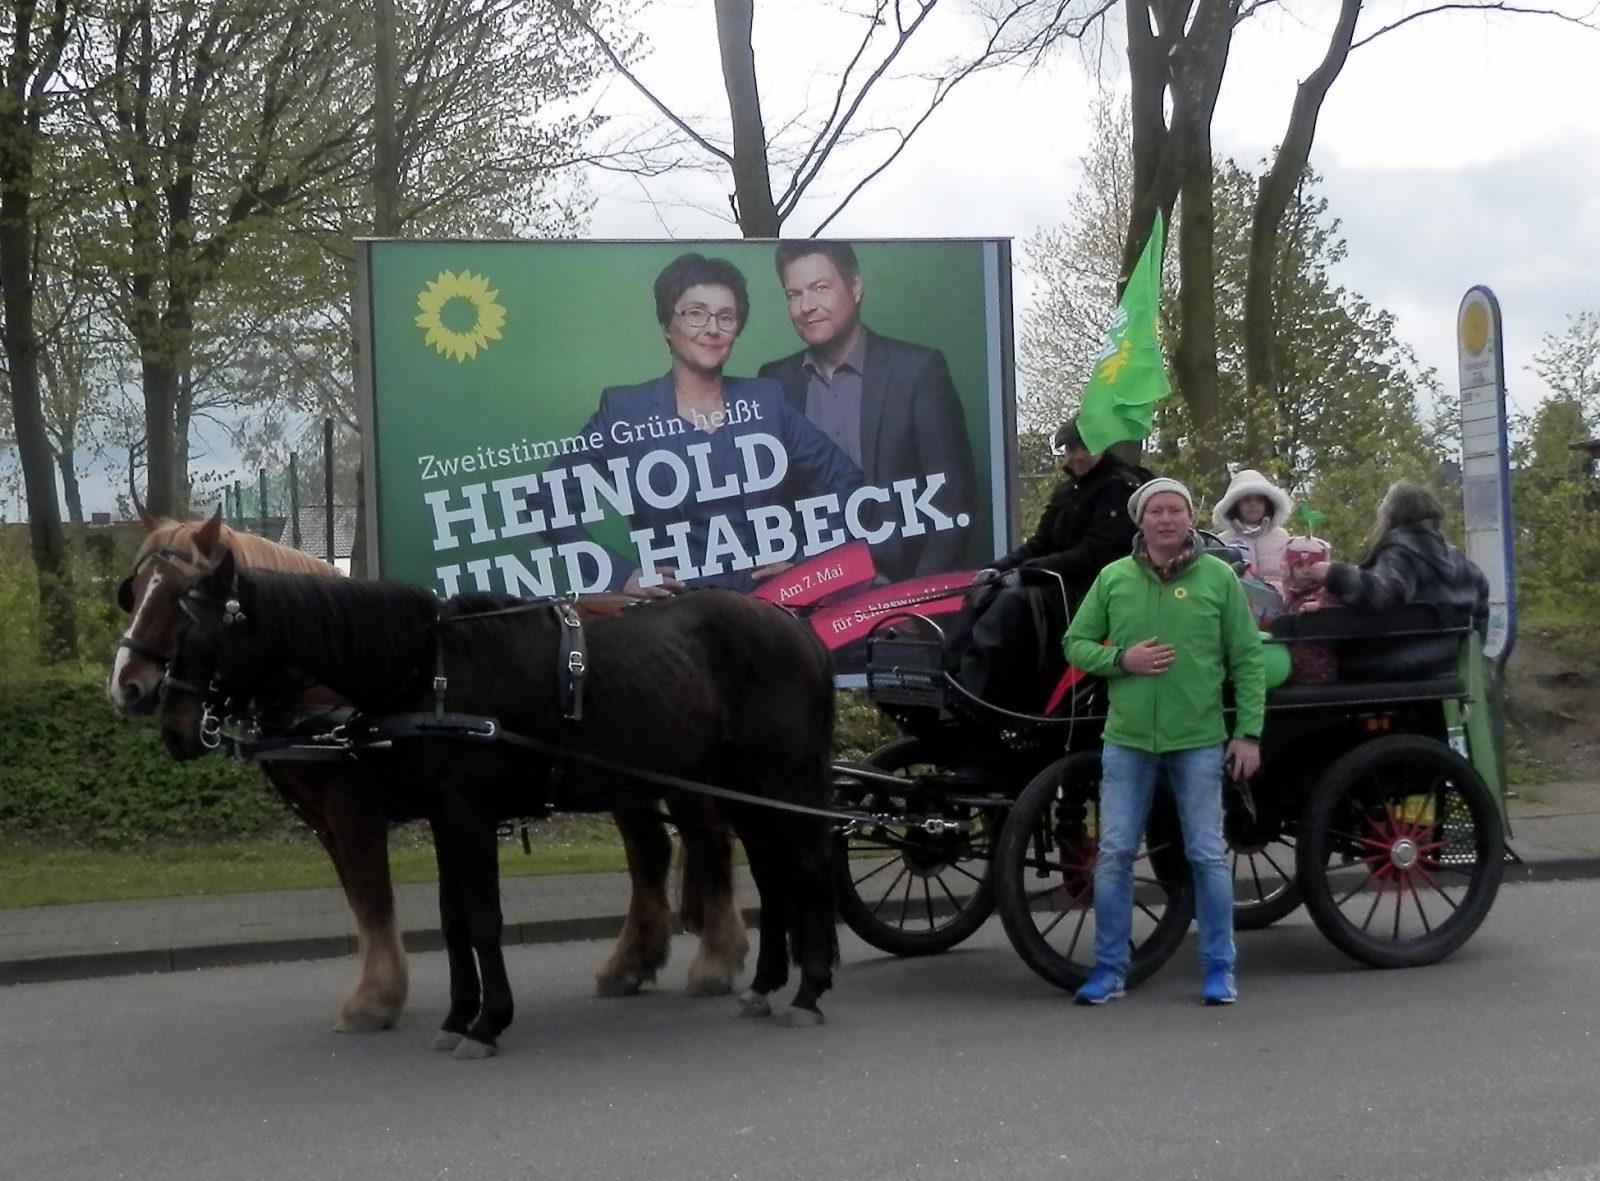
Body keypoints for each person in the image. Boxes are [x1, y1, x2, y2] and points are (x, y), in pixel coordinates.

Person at [551, 252, 865, 596]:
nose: (713, 329)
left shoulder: (765, 401)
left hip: (769, 610)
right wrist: (618, 575)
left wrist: (806, 559)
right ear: (667, 326)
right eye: (696, 314)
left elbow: (846, 481)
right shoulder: (626, 411)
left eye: (726, 317)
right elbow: (549, 500)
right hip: (675, 618)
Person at [1064, 477, 1266, 1007]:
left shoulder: (1219, 578)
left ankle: (1220, 970)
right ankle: (1109, 970)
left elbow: (1247, 659)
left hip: (1198, 740)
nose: (1167, 519)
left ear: (1189, 519)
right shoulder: (1113, 578)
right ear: (1141, 521)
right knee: (1113, 855)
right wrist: (1120, 661)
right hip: (1127, 741)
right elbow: (1075, 643)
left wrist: (1248, 734)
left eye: (1176, 510)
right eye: (1156, 511)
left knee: (1205, 855)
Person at [758, 241, 979, 580]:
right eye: (793, 294)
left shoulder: (917, 371)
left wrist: (914, 607)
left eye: (820, 288)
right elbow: (766, 501)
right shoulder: (774, 382)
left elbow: (953, 502)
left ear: (856, 287)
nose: (807, 306)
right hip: (805, 598)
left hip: (897, 595)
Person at [955, 417, 1149, 711]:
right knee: (984, 593)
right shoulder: (1066, 490)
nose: (1078, 456)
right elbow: (1040, 542)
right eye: (1070, 449)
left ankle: (983, 695)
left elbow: (1095, 554)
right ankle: (953, 677)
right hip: (1056, 579)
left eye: (1084, 447)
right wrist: (999, 567)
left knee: (1012, 605)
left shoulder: (1119, 487)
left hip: (1093, 588)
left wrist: (1030, 572)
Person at [1304, 480, 1489, 677]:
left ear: (1392, 514)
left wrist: (1334, 573)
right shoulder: (1461, 562)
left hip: (1395, 665)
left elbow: (1383, 595)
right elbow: (1481, 616)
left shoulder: (1401, 553)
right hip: (1449, 665)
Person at [1212, 469, 1294, 593]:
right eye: (1246, 500)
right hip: (1239, 605)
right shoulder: (1223, 541)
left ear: (1268, 504)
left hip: (1280, 605)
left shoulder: (1281, 536)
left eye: (1259, 500)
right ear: (1235, 505)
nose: (1253, 505)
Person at [1279, 535, 1338, 684]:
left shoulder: (1326, 591)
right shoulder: (1290, 596)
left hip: (1319, 668)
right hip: (1291, 666)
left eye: (1312, 565)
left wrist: (1319, 606)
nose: (1306, 571)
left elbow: (1332, 604)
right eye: (1299, 565)